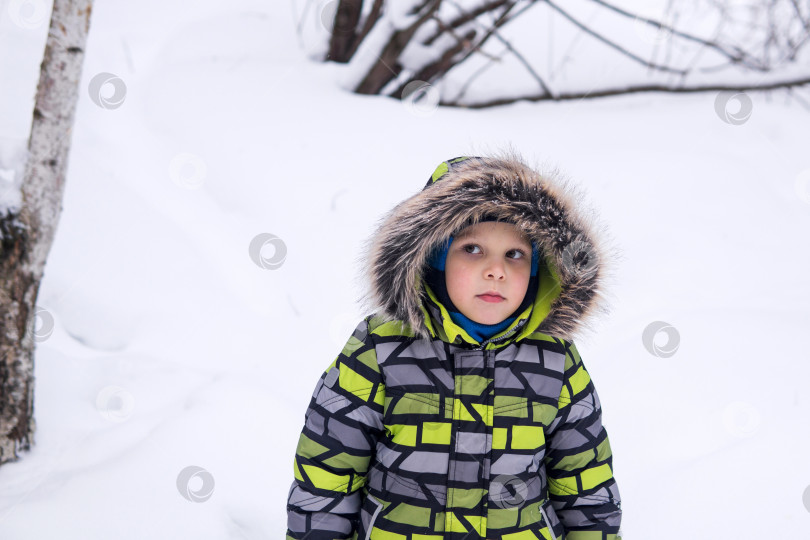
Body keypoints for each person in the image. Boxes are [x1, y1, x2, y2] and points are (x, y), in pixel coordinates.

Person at [286, 152, 623, 540]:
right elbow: (328, 471)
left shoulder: (554, 361)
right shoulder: (380, 350)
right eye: (472, 249)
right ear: (433, 257)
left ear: (538, 271)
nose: (496, 270)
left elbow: (586, 486)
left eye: (515, 255)